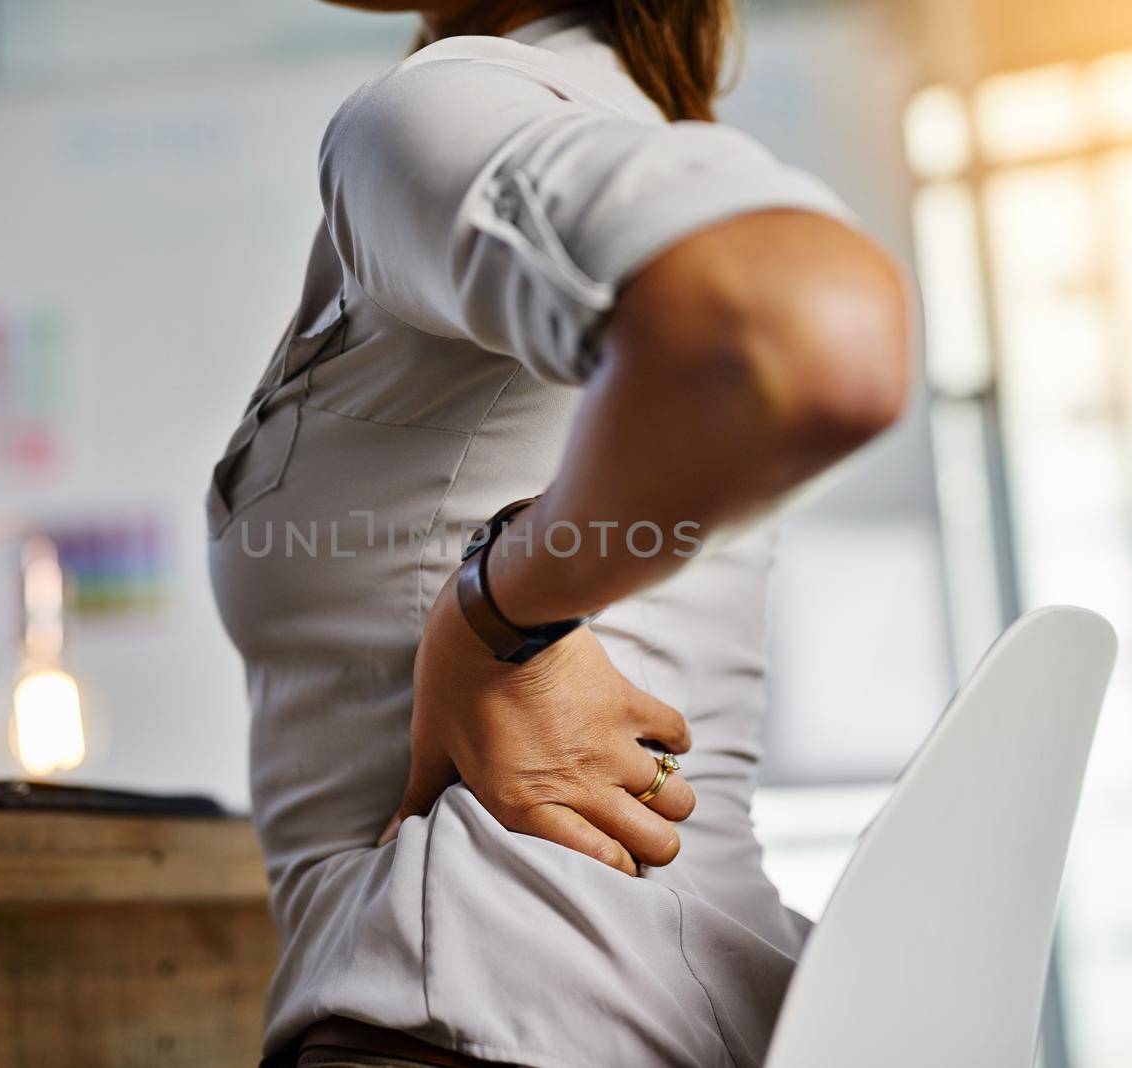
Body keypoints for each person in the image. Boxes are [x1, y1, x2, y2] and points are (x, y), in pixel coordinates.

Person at [207, 2, 912, 1064]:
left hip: (467, 1011)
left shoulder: (442, 107)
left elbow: (805, 332)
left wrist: (497, 615)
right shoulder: (585, 128)